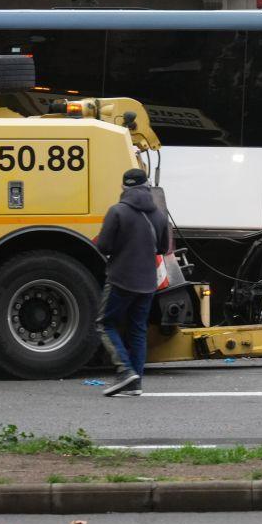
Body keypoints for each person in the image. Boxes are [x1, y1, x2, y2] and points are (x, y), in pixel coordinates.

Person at [95, 168, 170, 397]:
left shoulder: (117, 211)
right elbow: (163, 248)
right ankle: (135, 384)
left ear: (123, 188)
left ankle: (125, 372)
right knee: (138, 330)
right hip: (148, 282)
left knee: (105, 324)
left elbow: (104, 246)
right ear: (146, 185)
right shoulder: (158, 215)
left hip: (121, 279)